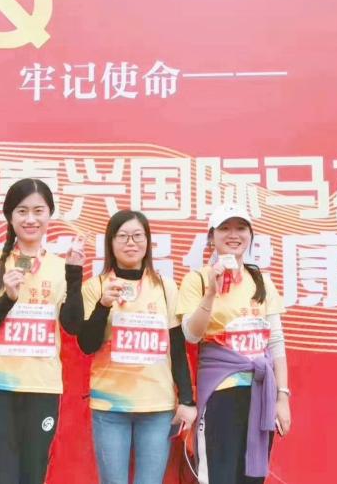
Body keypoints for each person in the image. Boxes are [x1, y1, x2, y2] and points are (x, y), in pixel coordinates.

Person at [0, 178, 85, 484]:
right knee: (2, 475)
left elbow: (73, 325)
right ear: (10, 216)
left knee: (34, 474)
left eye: (38, 211)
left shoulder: (59, 266)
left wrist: (74, 274)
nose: (30, 219)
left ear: (50, 215)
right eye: (22, 211)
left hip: (42, 386)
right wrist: (7, 298)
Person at [77, 210, 196, 484]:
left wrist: (187, 400)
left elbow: (177, 348)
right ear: (110, 243)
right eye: (122, 236)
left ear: (148, 241)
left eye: (137, 236)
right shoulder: (95, 286)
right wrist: (103, 305)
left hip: (158, 406)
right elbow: (86, 345)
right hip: (110, 405)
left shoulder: (165, 287)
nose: (130, 243)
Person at [179, 204, 292, 484]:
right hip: (220, 392)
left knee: (251, 476)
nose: (234, 235)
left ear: (250, 235)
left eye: (241, 228)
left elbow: (275, 342)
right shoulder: (196, 280)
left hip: (260, 393)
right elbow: (191, 335)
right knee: (219, 476)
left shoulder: (261, 280)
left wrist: (282, 397)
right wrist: (210, 292)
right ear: (211, 237)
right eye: (225, 228)